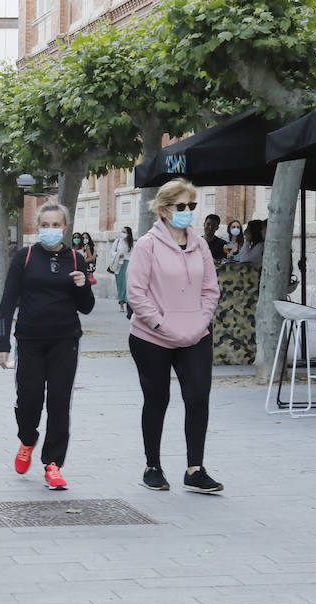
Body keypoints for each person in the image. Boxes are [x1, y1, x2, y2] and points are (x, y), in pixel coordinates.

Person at [126, 178, 222, 494]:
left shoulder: (200, 245)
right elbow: (136, 294)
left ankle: (195, 469)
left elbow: (211, 289)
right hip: (152, 336)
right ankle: (152, 466)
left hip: (195, 334)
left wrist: (201, 322)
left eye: (191, 206)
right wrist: (160, 325)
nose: (187, 212)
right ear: (165, 209)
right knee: (157, 399)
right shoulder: (146, 245)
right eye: (181, 206)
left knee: (197, 398)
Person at [0, 203, 96, 492]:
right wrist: (2, 343)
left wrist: (82, 286)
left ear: (65, 227)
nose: (51, 230)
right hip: (29, 340)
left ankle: (53, 465)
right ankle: (27, 438)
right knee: (29, 400)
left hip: (65, 340)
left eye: (56, 225)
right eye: (46, 225)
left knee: (60, 402)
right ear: (38, 227)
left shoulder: (76, 259)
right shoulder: (25, 258)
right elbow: (7, 302)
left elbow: (86, 308)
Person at [109, 227, 134, 315]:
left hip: (128, 263)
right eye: (121, 231)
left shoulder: (131, 243)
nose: (122, 233)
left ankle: (128, 303)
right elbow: (112, 252)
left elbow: (133, 254)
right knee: (120, 284)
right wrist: (119, 254)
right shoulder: (117, 241)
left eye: (124, 232)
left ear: (128, 233)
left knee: (128, 284)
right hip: (119, 264)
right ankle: (121, 303)